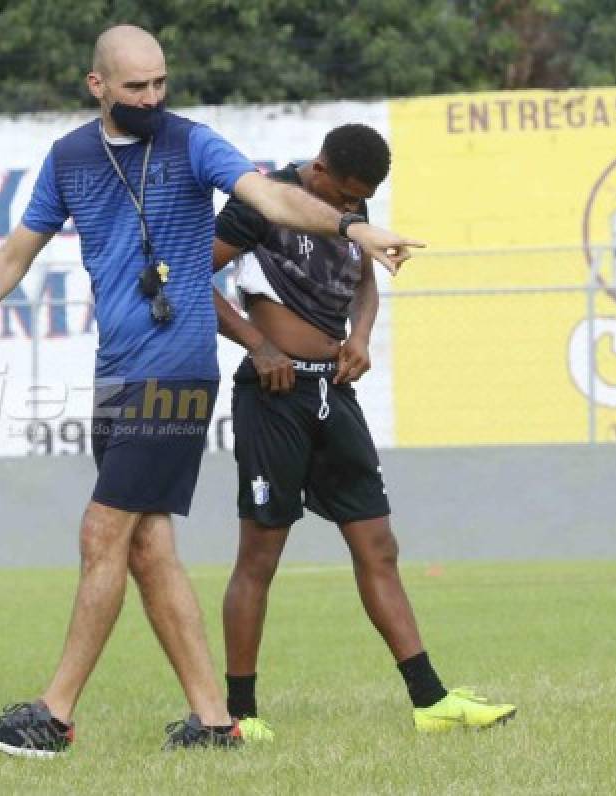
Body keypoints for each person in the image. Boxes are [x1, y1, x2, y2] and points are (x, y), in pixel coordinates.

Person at [0, 24, 420, 756]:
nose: (152, 98)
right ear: (98, 86)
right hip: (117, 369)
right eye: (136, 87)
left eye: (160, 83)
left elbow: (269, 198)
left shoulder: (192, 141)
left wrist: (349, 228)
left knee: (101, 531)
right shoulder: (70, 157)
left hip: (175, 368)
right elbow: (16, 255)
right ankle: (213, 720)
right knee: (148, 549)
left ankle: (54, 714)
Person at [212, 123, 516, 737]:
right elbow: (192, 277)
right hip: (274, 396)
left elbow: (367, 283)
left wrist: (361, 337)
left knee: (379, 546)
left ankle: (430, 702)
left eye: (361, 201)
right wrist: (258, 344)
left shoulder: (352, 206)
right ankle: (240, 715)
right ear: (319, 170)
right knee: (260, 556)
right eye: (345, 196)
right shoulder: (259, 201)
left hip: (335, 393)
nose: (351, 209)